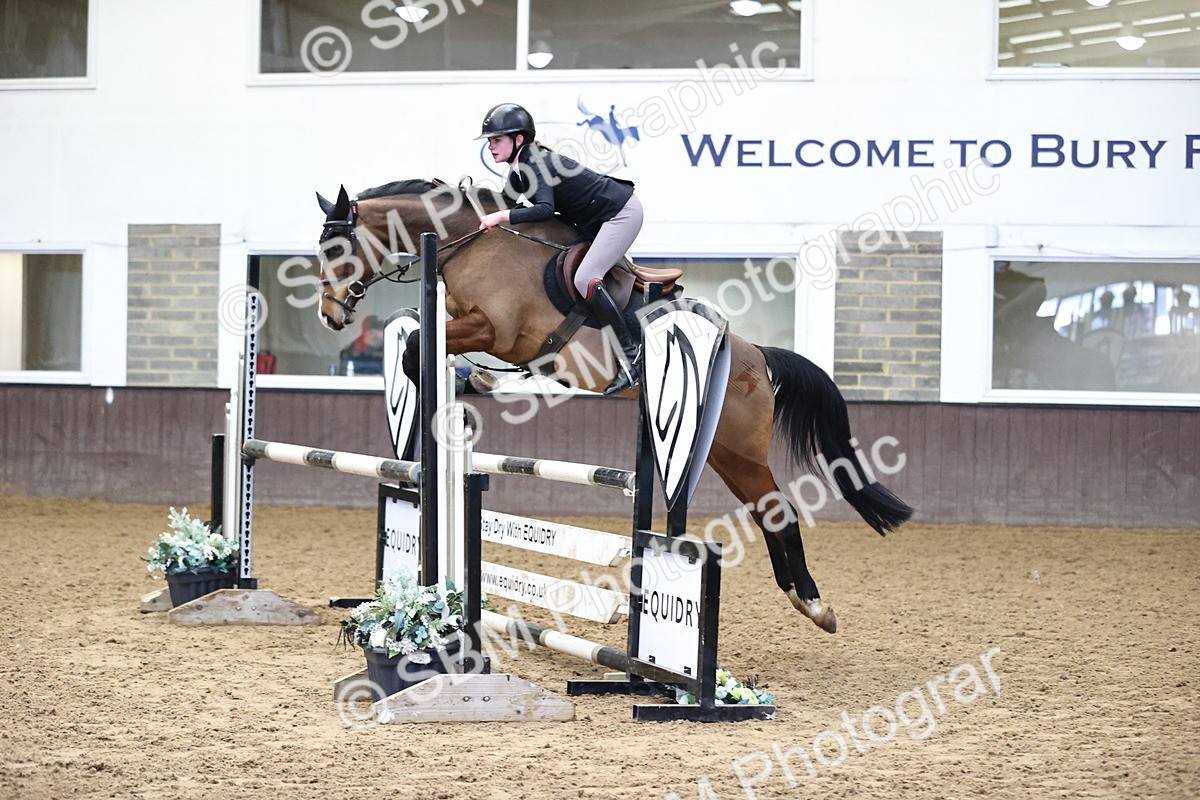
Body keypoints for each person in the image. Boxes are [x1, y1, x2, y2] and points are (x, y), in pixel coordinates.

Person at [475, 102, 643, 393]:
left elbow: (543, 209)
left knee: (584, 277)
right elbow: (507, 204)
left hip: (620, 214)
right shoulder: (518, 171)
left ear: (518, 140)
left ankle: (630, 356)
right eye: (489, 141)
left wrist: (501, 216)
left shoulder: (535, 163)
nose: (491, 146)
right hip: (594, 222)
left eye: (497, 139)